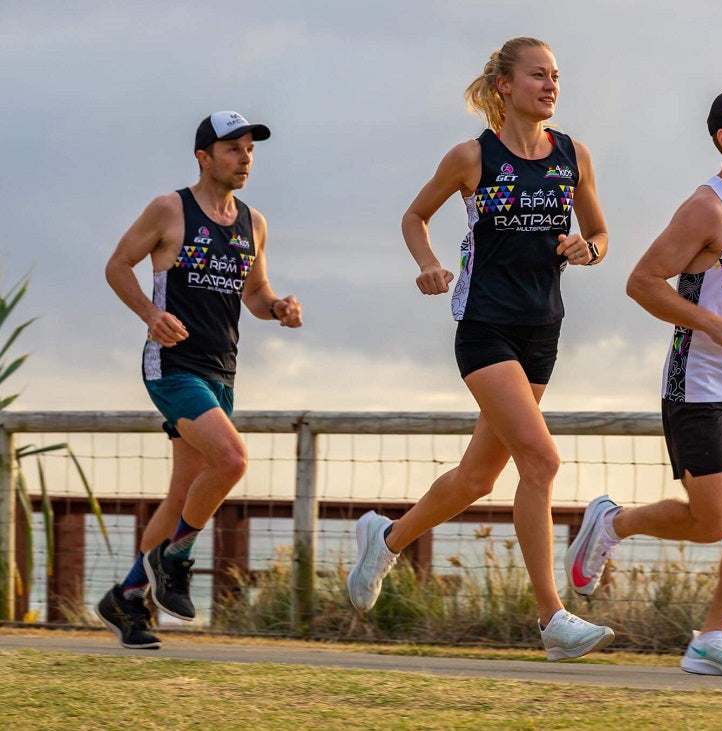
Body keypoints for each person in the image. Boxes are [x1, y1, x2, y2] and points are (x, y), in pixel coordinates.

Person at [346, 37, 614, 661]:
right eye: (538, 75)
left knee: (477, 478)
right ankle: (552, 620)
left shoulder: (573, 156)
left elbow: (600, 233)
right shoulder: (473, 156)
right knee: (541, 461)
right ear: (504, 85)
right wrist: (428, 264)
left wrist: (588, 250)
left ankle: (386, 541)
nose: (550, 86)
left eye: (556, 76)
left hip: (543, 329)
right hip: (485, 326)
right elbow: (414, 217)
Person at [564, 87, 722, 676]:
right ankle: (614, 522)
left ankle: (711, 638)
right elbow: (642, 282)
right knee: (713, 521)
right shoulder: (705, 209)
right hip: (698, 386)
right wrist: (709, 322)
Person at [95, 111, 303, 649]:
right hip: (172, 365)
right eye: (233, 149)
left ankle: (127, 599)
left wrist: (278, 308)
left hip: (221, 371)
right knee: (231, 460)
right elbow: (118, 265)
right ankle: (176, 558)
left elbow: (254, 293)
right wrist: (150, 314)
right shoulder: (170, 209)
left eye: (250, 149)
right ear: (203, 157)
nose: (245, 158)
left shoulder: (253, 223)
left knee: (181, 495)